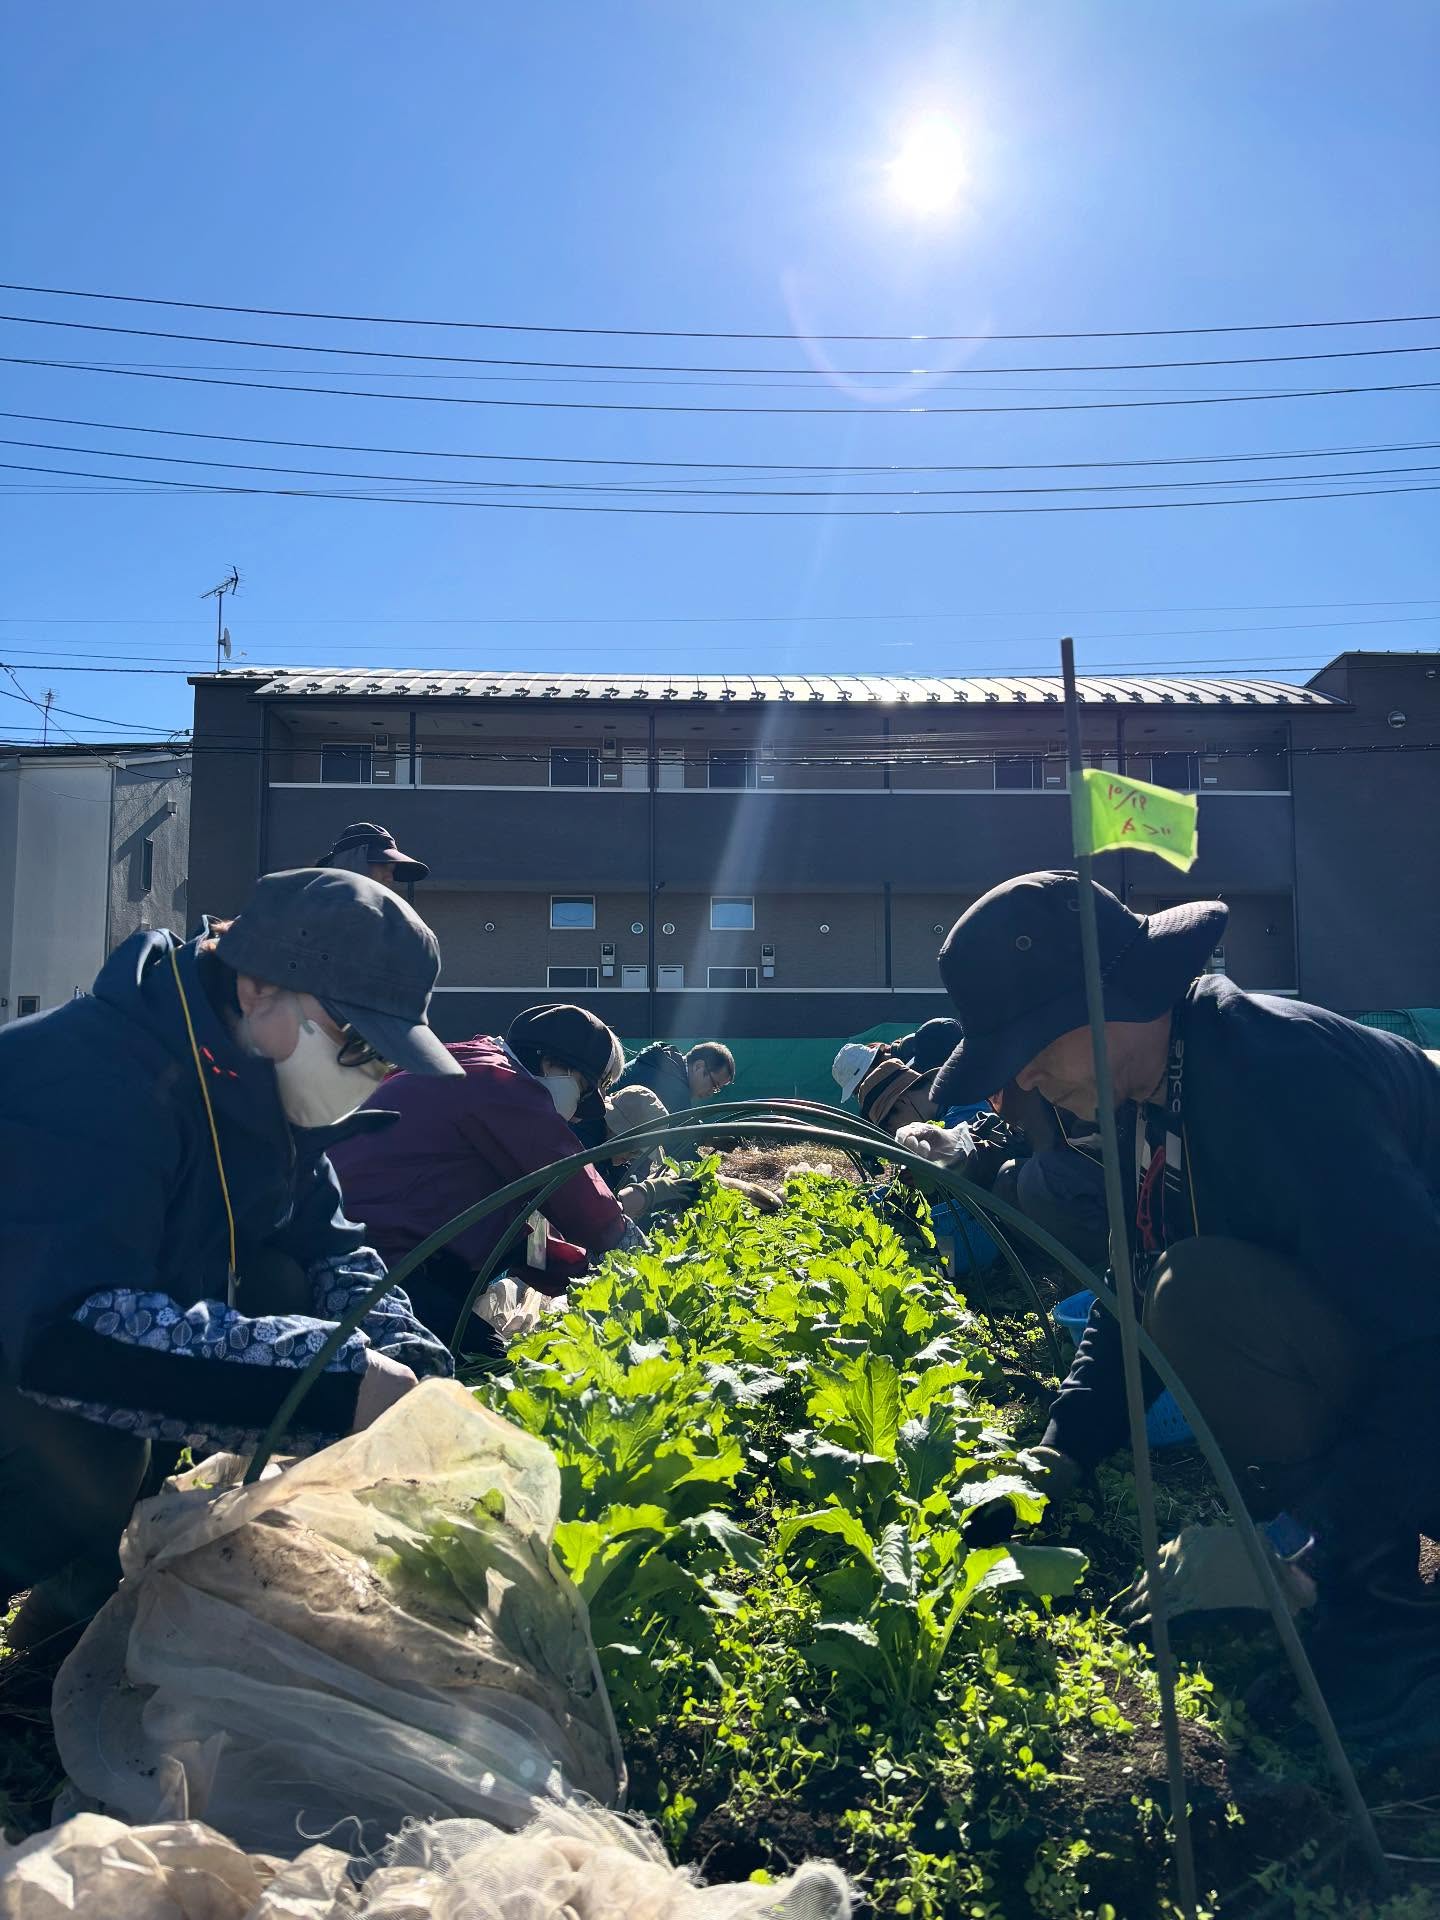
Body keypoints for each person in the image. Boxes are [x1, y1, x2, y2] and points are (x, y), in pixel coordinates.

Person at [903, 869, 1440, 1747]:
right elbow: (1125, 1291)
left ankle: (1398, 1624)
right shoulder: (1156, 1092)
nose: (1027, 1077)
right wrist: (1055, 1458)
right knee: (1174, 1295)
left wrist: (1294, 1544)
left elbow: (1428, 1340)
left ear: (1113, 995)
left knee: (1203, 1303)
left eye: (1034, 1043)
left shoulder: (1278, 1079)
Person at [0, 868, 460, 1659]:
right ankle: (64, 1590)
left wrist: (406, 1357)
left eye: (385, 1061)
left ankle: (75, 1617)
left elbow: (329, 1246)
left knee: (284, 1283)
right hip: (34, 1351)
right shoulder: (88, 1077)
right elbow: (67, 1337)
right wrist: (327, 1384)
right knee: (89, 1455)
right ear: (256, 988)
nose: (370, 1075)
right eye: (356, 1044)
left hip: (59, 1339)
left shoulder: (257, 1089)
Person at [330, 1005, 693, 1352]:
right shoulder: (502, 1086)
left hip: (352, 1244)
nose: (580, 1115)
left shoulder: (465, 1062)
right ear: (551, 1063)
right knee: (487, 1365)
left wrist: (579, 1271)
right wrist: (636, 1256)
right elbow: (579, 1198)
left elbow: (528, 1227)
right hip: (369, 1268)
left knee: (480, 1338)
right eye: (584, 1089)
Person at [616, 1039, 736, 1115]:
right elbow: (677, 1148)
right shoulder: (675, 1089)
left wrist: (707, 1138)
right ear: (699, 1066)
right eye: (714, 1085)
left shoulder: (664, 1062)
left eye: (716, 1089)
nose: (711, 1093)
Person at [318, 821, 430, 892]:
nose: (390, 878)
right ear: (352, 865)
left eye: (392, 870)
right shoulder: (312, 915)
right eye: (383, 867)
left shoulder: (392, 922)